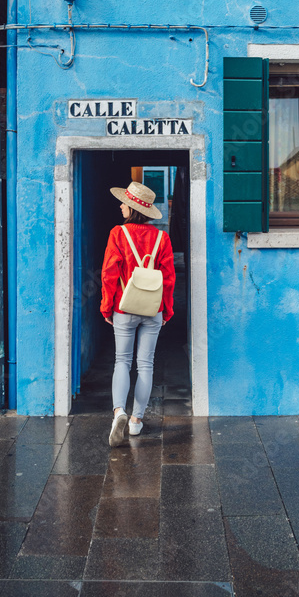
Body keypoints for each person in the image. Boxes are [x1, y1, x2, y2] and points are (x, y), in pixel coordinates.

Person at [100, 181, 176, 447]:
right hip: (153, 309)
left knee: (122, 361)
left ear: (131, 207)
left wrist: (106, 306)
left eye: (124, 202)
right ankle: (135, 421)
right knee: (146, 364)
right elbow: (168, 278)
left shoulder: (118, 234)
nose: (120, 205)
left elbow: (109, 273)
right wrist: (167, 308)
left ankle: (118, 411)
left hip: (125, 306)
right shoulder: (162, 238)